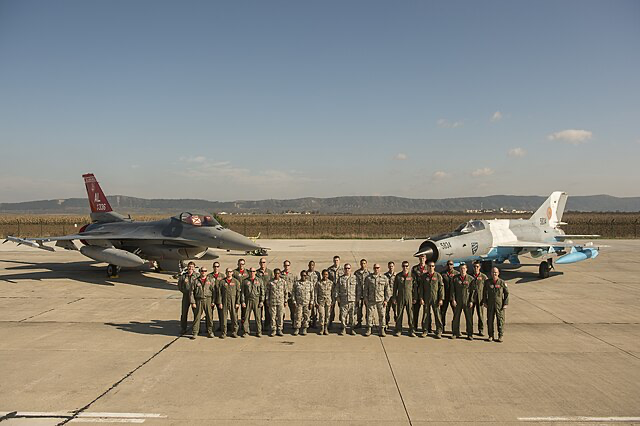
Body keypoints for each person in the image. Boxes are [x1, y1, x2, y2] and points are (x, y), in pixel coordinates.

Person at [363, 263, 390, 337]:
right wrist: (365, 299)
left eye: (378, 268)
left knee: (382, 315)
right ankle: (369, 329)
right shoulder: (369, 278)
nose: (376, 269)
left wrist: (386, 300)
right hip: (371, 300)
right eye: (375, 268)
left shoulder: (384, 278)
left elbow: (387, 290)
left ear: (380, 268)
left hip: (381, 300)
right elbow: (365, 289)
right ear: (373, 268)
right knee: (370, 315)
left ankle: (382, 329)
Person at [483, 267, 509, 342]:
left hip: (499, 305)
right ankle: (490, 335)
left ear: (498, 273)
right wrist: (485, 302)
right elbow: (484, 293)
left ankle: (500, 335)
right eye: (493, 272)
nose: (494, 274)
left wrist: (505, 303)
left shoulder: (502, 282)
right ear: (491, 273)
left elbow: (506, 293)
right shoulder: (488, 282)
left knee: (500, 320)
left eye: (495, 272)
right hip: (490, 304)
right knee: (490, 320)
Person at [419, 262, 444, 338]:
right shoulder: (424, 276)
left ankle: (439, 331)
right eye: (429, 266)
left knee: (437, 315)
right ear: (427, 267)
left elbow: (441, 288)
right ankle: (425, 330)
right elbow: (421, 288)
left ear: (434, 267)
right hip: (426, 298)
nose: (431, 267)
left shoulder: (438, 276)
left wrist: (441, 298)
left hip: (435, 298)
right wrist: (421, 298)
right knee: (426, 314)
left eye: (432, 266)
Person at [450, 263, 475, 340]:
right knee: (456, 318)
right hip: (458, 301)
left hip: (467, 301)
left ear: (466, 269)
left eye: (464, 268)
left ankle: (470, 334)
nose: (462, 270)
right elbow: (452, 290)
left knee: (469, 318)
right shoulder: (455, 278)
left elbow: (473, 291)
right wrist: (453, 299)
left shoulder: (470, 279)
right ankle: (455, 332)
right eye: (461, 269)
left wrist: (471, 301)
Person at [190, 266, 215, 339]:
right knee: (197, 317)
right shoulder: (195, 281)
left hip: (208, 299)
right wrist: (193, 302)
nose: (203, 272)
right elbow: (191, 292)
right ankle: (195, 332)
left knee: (209, 317)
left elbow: (214, 291)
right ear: (200, 272)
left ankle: (210, 332)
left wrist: (213, 301)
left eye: (205, 271)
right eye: (202, 271)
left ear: (207, 272)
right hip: (199, 300)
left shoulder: (210, 280)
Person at [393, 261, 416, 337]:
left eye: (406, 266)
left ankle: (411, 330)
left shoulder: (412, 276)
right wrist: (394, 297)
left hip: (409, 297)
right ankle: (399, 329)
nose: (405, 268)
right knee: (399, 314)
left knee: (410, 314)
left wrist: (415, 297)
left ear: (408, 267)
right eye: (403, 266)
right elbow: (395, 288)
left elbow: (415, 288)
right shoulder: (398, 276)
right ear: (402, 267)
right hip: (400, 297)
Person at [334, 263, 358, 335]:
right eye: (346, 268)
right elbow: (337, 289)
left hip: (352, 300)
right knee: (343, 315)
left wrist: (358, 298)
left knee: (352, 316)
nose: (347, 270)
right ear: (344, 269)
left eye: (348, 268)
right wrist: (337, 297)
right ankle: (343, 328)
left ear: (351, 269)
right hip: (343, 300)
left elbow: (358, 289)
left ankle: (351, 329)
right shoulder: (341, 279)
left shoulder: (355, 278)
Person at [217, 268, 241, 338]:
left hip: (233, 302)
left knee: (234, 317)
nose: (229, 273)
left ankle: (234, 332)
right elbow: (219, 293)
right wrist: (220, 303)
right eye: (228, 272)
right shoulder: (222, 282)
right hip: (224, 301)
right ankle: (224, 332)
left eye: (230, 272)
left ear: (232, 273)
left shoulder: (236, 282)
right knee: (224, 318)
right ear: (226, 272)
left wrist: (237, 302)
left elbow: (238, 293)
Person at [241, 268, 264, 337]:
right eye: (250, 271)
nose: (252, 272)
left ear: (255, 272)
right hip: (248, 299)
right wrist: (243, 301)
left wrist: (262, 301)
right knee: (246, 316)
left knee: (258, 317)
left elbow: (262, 291)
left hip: (256, 299)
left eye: (253, 271)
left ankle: (259, 331)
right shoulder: (245, 281)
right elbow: (242, 292)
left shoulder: (259, 280)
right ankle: (246, 331)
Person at [177, 261, 198, 335]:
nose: (190, 268)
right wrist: (184, 291)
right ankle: (183, 328)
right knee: (184, 313)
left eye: (192, 267)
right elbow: (179, 285)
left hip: (194, 297)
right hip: (186, 296)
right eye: (189, 267)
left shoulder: (197, 276)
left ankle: (195, 329)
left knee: (196, 313)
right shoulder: (183, 276)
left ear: (194, 268)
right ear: (187, 268)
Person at [266, 268, 287, 337]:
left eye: (278, 273)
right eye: (275, 273)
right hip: (272, 302)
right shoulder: (270, 282)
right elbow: (267, 292)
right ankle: (273, 330)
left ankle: (279, 329)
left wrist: (285, 300)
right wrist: (267, 300)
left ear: (280, 274)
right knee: (273, 317)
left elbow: (285, 292)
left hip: (280, 302)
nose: (277, 275)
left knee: (280, 316)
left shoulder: (283, 282)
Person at [292, 270, 313, 335]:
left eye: (305, 275)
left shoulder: (309, 283)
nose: (303, 277)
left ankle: (304, 328)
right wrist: (294, 302)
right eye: (302, 275)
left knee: (306, 316)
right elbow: (293, 293)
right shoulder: (296, 283)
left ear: (307, 276)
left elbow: (312, 293)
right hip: (299, 303)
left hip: (307, 302)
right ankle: (297, 328)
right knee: (298, 316)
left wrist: (311, 302)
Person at [441, 260, 459, 334]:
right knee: (442, 313)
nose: (449, 266)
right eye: (448, 264)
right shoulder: (442, 274)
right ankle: (441, 328)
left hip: (453, 297)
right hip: (445, 296)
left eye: (451, 264)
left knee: (456, 313)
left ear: (453, 265)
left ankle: (455, 329)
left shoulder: (457, 274)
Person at [256, 258, 274, 332]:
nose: (262, 264)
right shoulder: (257, 272)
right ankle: (259, 326)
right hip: (259, 294)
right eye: (261, 262)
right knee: (259, 311)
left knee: (268, 311)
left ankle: (267, 325)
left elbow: (272, 282)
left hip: (267, 294)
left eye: (264, 262)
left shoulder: (270, 272)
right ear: (259, 263)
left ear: (266, 263)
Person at [471, 261, 488, 336]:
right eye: (474, 267)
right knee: (469, 315)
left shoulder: (483, 277)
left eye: (477, 266)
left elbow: (487, 289)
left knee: (480, 315)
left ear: (480, 267)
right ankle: (470, 330)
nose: (476, 268)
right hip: (471, 298)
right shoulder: (470, 276)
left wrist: (485, 300)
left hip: (480, 299)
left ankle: (481, 330)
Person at [411, 254, 428, 333]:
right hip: (417, 291)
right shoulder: (415, 268)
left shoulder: (429, 268)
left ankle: (427, 327)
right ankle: (414, 326)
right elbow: (412, 281)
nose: (422, 259)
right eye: (420, 258)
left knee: (427, 311)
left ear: (425, 259)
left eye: (423, 258)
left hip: (426, 292)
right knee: (415, 310)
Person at [314, 269, 333, 335]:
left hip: (328, 301)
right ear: (322, 275)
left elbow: (333, 293)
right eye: (324, 274)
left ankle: (326, 328)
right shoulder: (318, 283)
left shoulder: (331, 283)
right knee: (321, 315)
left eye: (326, 274)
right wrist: (315, 302)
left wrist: (333, 301)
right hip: (321, 301)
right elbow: (316, 293)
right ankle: (321, 328)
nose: (325, 276)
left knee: (327, 315)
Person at [327, 255, 343, 330]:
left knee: (342, 308)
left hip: (340, 291)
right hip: (332, 291)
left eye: (337, 260)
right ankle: (330, 322)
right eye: (335, 260)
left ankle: (342, 322)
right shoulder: (329, 270)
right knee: (331, 307)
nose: (336, 262)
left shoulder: (343, 269)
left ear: (339, 261)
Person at [354, 259, 370, 329]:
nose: (363, 265)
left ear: (366, 264)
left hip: (367, 294)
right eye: (362, 263)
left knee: (368, 309)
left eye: (364, 263)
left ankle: (368, 323)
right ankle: (359, 322)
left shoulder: (369, 273)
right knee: (359, 309)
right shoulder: (356, 273)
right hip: (359, 294)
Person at [207, 262, 224, 332]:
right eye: (214, 266)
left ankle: (221, 327)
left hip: (220, 297)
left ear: (219, 267)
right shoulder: (209, 276)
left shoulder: (222, 276)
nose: (216, 268)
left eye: (217, 266)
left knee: (221, 314)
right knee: (209, 314)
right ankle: (210, 328)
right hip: (211, 297)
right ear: (213, 267)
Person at [233, 259, 249, 329]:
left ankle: (243, 324)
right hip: (236, 293)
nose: (241, 265)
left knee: (244, 310)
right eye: (240, 264)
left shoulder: (247, 272)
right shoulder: (234, 272)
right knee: (235, 309)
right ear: (237, 264)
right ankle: (235, 324)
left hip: (245, 294)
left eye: (242, 264)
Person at [306, 261, 321, 328]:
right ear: (308, 265)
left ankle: (314, 322)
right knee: (308, 309)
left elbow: (320, 283)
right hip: (307, 293)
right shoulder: (305, 273)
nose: (311, 266)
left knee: (315, 309)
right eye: (310, 265)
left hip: (315, 293)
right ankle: (308, 322)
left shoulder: (317, 274)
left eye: (312, 265)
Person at [281, 260, 296, 329]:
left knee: (293, 311)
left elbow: (295, 285)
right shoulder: (280, 275)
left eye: (288, 265)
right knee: (282, 311)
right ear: (283, 266)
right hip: (283, 295)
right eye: (285, 265)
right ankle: (281, 324)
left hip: (291, 295)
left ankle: (294, 323)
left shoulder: (293, 275)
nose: (286, 267)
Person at [384, 261, 397, 331]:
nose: (391, 267)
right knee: (386, 311)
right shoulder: (385, 276)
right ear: (388, 267)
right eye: (390, 266)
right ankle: (386, 324)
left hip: (394, 296)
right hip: (387, 296)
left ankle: (397, 324)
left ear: (394, 267)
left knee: (396, 311)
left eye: (392, 266)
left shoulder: (397, 275)